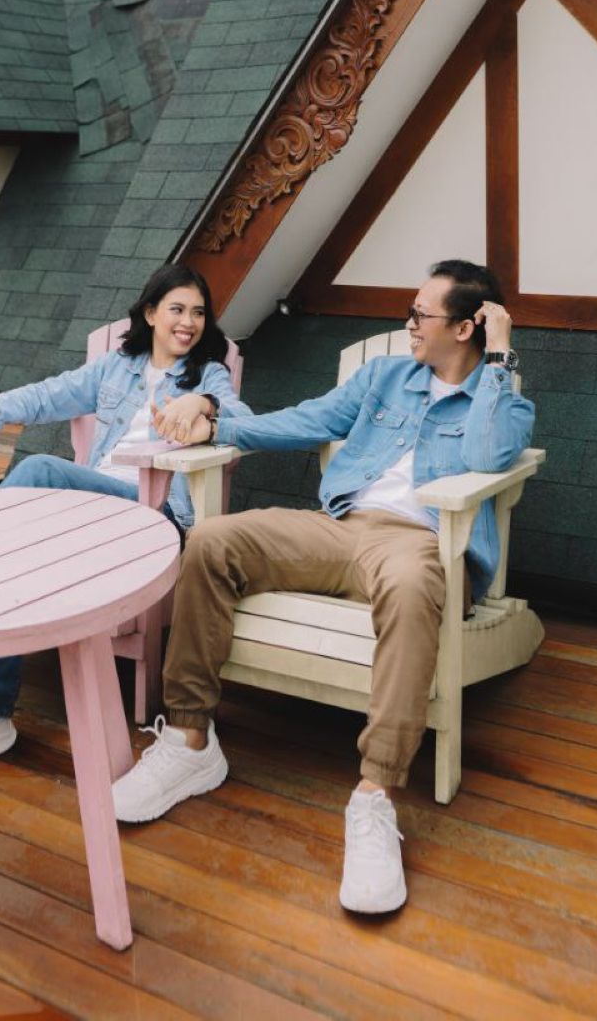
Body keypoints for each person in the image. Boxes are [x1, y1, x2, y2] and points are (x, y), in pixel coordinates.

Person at [110, 259, 534, 916]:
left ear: (465, 328)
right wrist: (215, 420)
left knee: (413, 584)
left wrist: (499, 356)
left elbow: (487, 455)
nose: (408, 324)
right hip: (339, 529)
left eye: (421, 314)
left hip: (420, 545)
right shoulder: (385, 376)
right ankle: (190, 740)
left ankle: (374, 795)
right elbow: (306, 420)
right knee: (213, 541)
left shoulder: (502, 399)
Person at [0, 263, 250, 784]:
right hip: (95, 512)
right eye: (177, 309)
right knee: (16, 554)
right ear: (150, 313)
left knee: (37, 472)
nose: (189, 322)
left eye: (198, 313)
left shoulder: (209, 373)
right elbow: (51, 394)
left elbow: (244, 421)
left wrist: (204, 400)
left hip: (152, 516)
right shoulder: (118, 366)